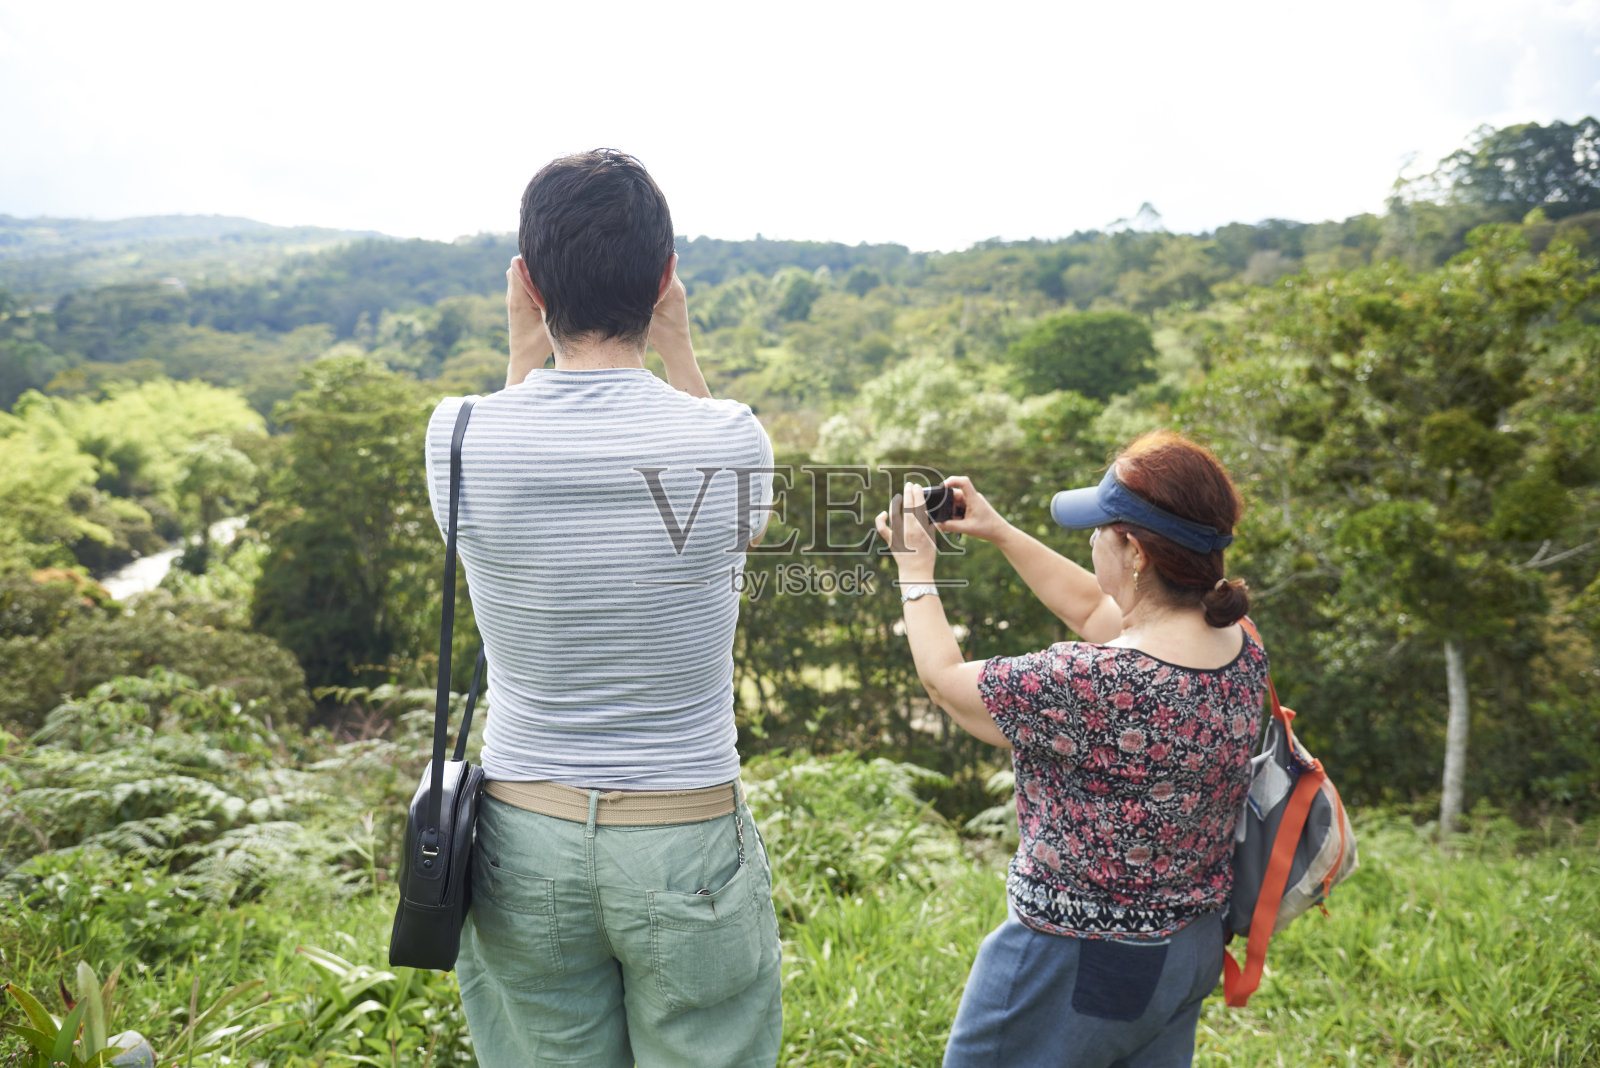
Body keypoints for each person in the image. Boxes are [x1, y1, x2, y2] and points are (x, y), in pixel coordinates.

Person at [424, 149, 782, 1068]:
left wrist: (522, 351)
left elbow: (505, 476)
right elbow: (739, 528)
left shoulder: (457, 438)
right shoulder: (733, 438)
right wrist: (680, 349)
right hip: (684, 834)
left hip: (522, 836)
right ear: (665, 280)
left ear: (528, 284)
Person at [873, 431, 1269, 1068]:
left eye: (1100, 530)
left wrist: (915, 571)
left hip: (1075, 960)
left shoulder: (1091, 681)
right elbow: (1093, 610)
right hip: (1187, 948)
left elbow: (946, 684)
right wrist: (1000, 532)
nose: (1090, 541)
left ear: (1135, 552)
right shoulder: (1239, 640)